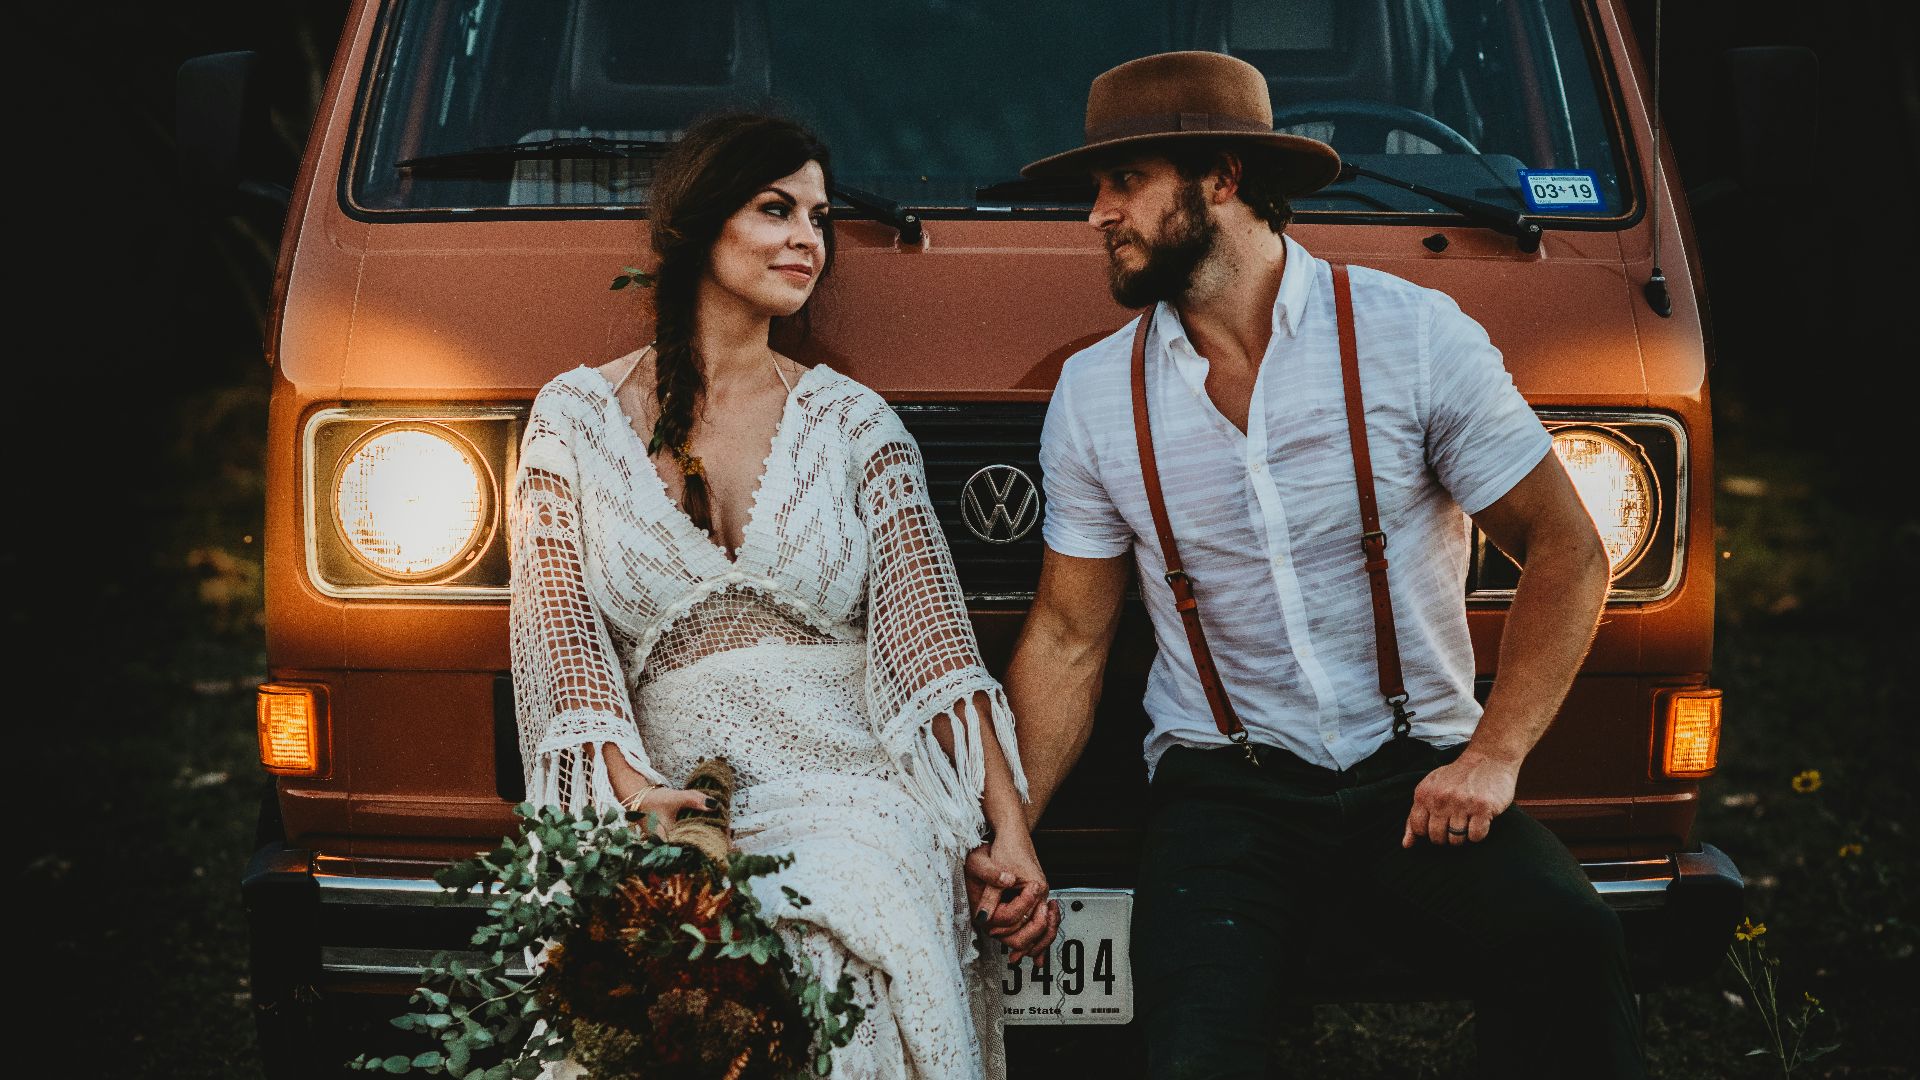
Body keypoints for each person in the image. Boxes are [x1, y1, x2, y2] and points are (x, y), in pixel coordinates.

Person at [1003, 52, 1646, 1079]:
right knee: (1188, 1047)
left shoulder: (1414, 336)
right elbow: (1070, 637)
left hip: (1415, 770)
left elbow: (1567, 545)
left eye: (1123, 182)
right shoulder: (1095, 397)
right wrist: (1013, 828)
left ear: (1220, 177)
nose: (1096, 214)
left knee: (1567, 940)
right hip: (1229, 791)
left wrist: (1492, 756)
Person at [508, 112, 1056, 1080]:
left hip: (850, 777)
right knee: (662, 947)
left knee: (845, 896)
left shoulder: (853, 424)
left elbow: (935, 652)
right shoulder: (572, 421)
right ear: (698, 221)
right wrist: (641, 800)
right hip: (673, 780)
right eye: (777, 209)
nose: (810, 237)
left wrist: (1009, 831)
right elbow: (562, 645)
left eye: (818, 216)